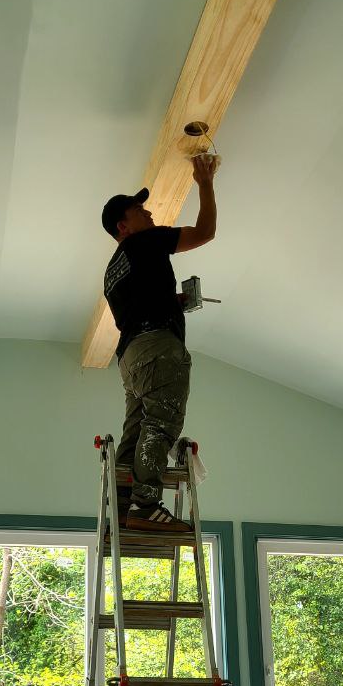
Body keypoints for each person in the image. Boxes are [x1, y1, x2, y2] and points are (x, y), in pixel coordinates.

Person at [101, 152, 218, 531]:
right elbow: (205, 232)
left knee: (135, 432)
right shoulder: (146, 242)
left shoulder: (113, 270)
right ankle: (145, 506)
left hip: (131, 358)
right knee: (161, 425)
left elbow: (138, 306)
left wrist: (174, 302)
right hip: (158, 350)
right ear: (124, 225)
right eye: (140, 211)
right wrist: (205, 181)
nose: (149, 215)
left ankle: (120, 504)